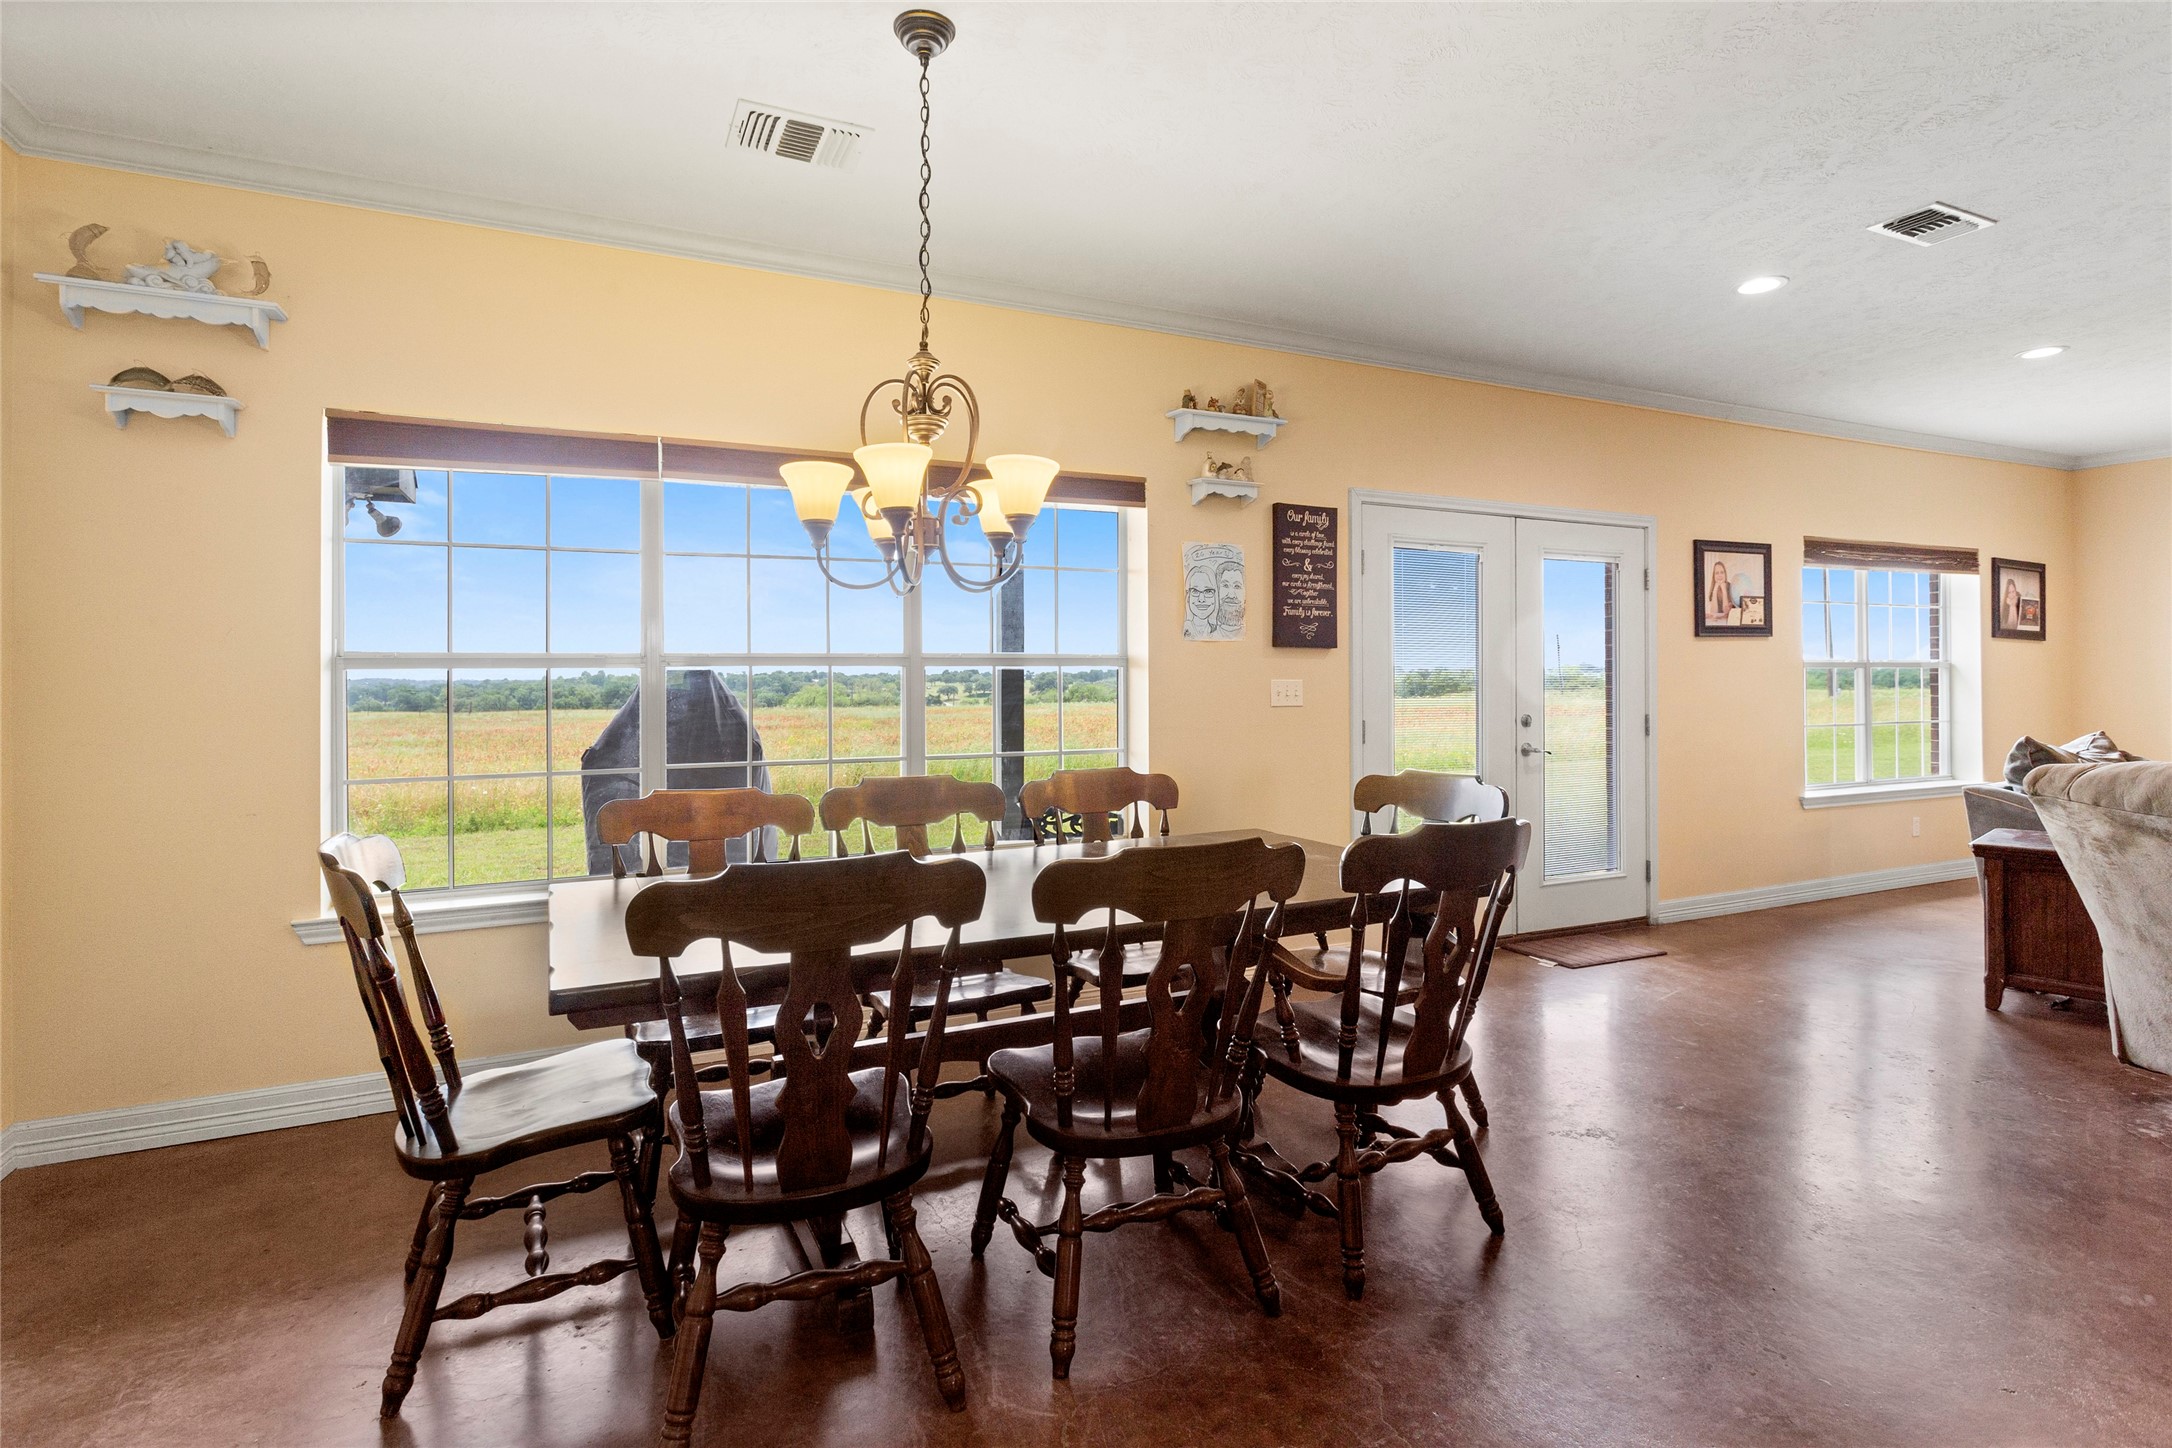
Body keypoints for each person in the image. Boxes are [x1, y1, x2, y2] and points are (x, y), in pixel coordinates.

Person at [1705, 560, 1736, 625]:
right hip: (1718, 622)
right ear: (1714, 576)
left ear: (1725, 574)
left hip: (1729, 622)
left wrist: (1724, 590)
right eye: (1717, 573)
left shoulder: (1731, 587)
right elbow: (1713, 612)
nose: (1720, 575)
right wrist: (1715, 589)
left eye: (1722, 572)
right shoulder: (1713, 588)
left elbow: (1725, 611)